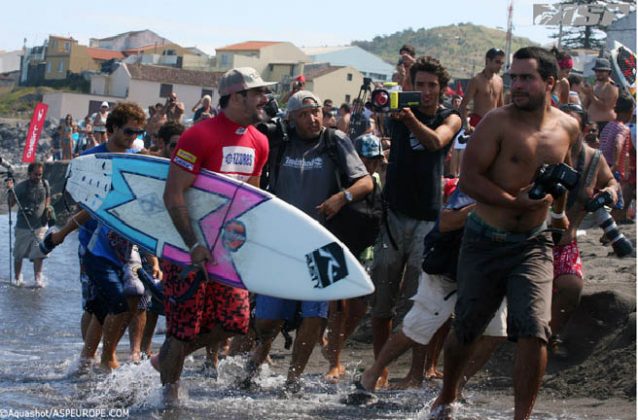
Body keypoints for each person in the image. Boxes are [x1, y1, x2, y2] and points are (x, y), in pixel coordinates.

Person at [430, 46, 579, 420]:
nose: (517, 85)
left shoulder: (568, 127)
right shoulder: (496, 122)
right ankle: (446, 397)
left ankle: (521, 417)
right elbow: (471, 180)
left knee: (534, 330)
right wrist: (515, 202)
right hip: (484, 241)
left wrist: (560, 216)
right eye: (513, 77)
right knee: (466, 330)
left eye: (526, 77)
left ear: (550, 82)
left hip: (533, 244)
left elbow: (565, 180)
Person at [158, 67, 274, 405]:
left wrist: (246, 247)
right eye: (258, 94)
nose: (264, 100)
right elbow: (173, 194)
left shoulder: (259, 141)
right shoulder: (199, 136)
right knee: (183, 328)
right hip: (186, 250)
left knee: (236, 321)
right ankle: (168, 401)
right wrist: (193, 245)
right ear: (237, 97)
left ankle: (166, 358)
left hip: (226, 252)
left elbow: (249, 200)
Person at [243, 90, 373, 393]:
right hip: (280, 241)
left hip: (323, 242)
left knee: (316, 314)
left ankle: (293, 379)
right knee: (267, 317)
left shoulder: (334, 140)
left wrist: (342, 197)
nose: (313, 118)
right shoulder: (280, 142)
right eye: (304, 114)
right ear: (290, 118)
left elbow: (365, 182)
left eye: (315, 111)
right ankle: (256, 360)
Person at [369, 56, 462, 389]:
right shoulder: (398, 111)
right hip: (393, 214)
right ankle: (380, 369)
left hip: (427, 218)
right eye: (419, 85)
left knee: (420, 302)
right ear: (410, 86)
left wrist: (407, 120)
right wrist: (389, 105)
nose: (424, 92)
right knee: (382, 300)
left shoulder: (449, 117)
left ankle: (416, 372)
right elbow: (374, 105)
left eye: (431, 86)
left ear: (442, 88)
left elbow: (436, 142)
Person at [46, 102, 160, 372]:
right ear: (112, 129)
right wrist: (63, 235)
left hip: (126, 239)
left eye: (137, 132)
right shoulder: (92, 159)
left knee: (136, 296)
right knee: (95, 304)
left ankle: (125, 352)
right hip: (92, 242)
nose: (133, 137)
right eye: (129, 131)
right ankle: (90, 356)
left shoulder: (136, 153)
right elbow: (81, 204)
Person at [323, 133, 382, 383]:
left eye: (375, 160)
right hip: (336, 249)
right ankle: (334, 362)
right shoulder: (340, 180)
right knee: (338, 308)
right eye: (365, 160)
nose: (369, 165)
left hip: (363, 252)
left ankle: (331, 347)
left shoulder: (379, 182)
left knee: (358, 309)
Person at [5, 161, 50, 287]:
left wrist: (47, 208)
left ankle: (38, 280)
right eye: (36, 174)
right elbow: (10, 204)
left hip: (40, 226)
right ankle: (17, 278)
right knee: (18, 254)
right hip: (23, 226)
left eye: (40, 174)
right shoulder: (21, 187)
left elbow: (48, 196)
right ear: (29, 174)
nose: (38, 177)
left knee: (39, 253)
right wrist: (10, 190)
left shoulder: (45, 184)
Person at [598, 93, 636, 222]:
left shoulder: (609, 125)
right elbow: (618, 143)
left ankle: (609, 228)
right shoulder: (623, 128)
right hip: (611, 168)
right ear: (630, 111)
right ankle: (611, 229)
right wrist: (615, 164)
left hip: (601, 165)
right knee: (619, 203)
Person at [459, 48, 505, 133]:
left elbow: (501, 106)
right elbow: (463, 105)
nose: (500, 66)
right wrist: (466, 124)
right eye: (497, 62)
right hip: (477, 124)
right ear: (488, 60)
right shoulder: (477, 80)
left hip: (493, 125)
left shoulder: (500, 81)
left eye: (502, 63)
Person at [582, 58, 619, 134]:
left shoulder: (611, 87)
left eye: (602, 71)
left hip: (605, 124)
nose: (598, 73)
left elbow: (606, 108)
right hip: (592, 124)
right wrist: (586, 93)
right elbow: (585, 105)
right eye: (597, 71)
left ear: (608, 72)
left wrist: (591, 95)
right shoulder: (596, 84)